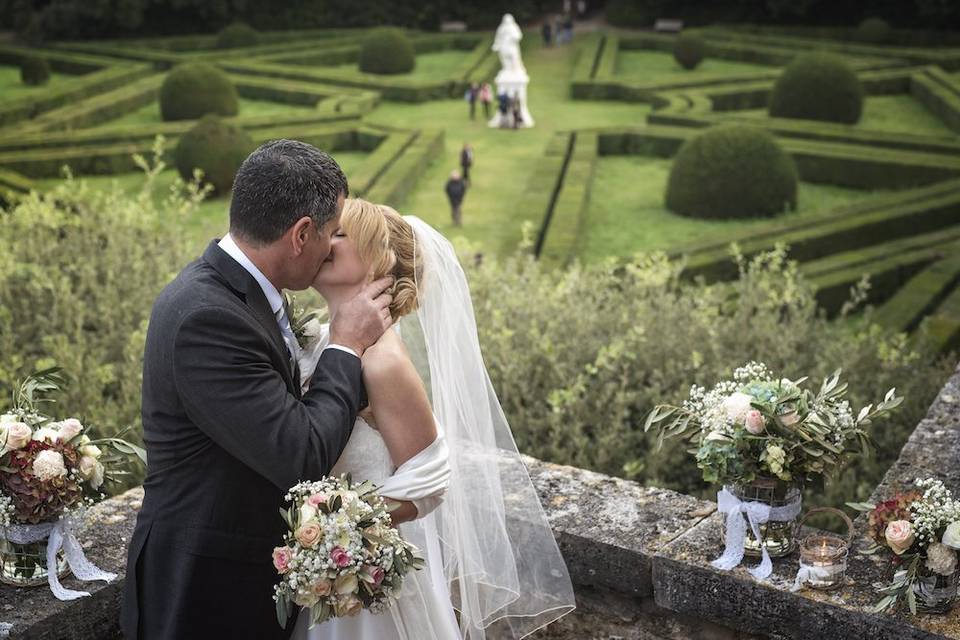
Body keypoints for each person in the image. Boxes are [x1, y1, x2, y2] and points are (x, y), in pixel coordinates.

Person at [120, 140, 395, 640]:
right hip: (202, 595)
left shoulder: (239, 293)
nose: (333, 247)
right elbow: (301, 453)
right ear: (301, 234)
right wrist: (347, 345)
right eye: (331, 234)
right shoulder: (209, 317)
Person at [296, 199, 576, 639]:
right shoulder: (319, 339)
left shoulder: (383, 362)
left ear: (377, 263)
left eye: (340, 234)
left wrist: (337, 530)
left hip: (368, 592)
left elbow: (429, 478)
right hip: (320, 585)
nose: (323, 242)